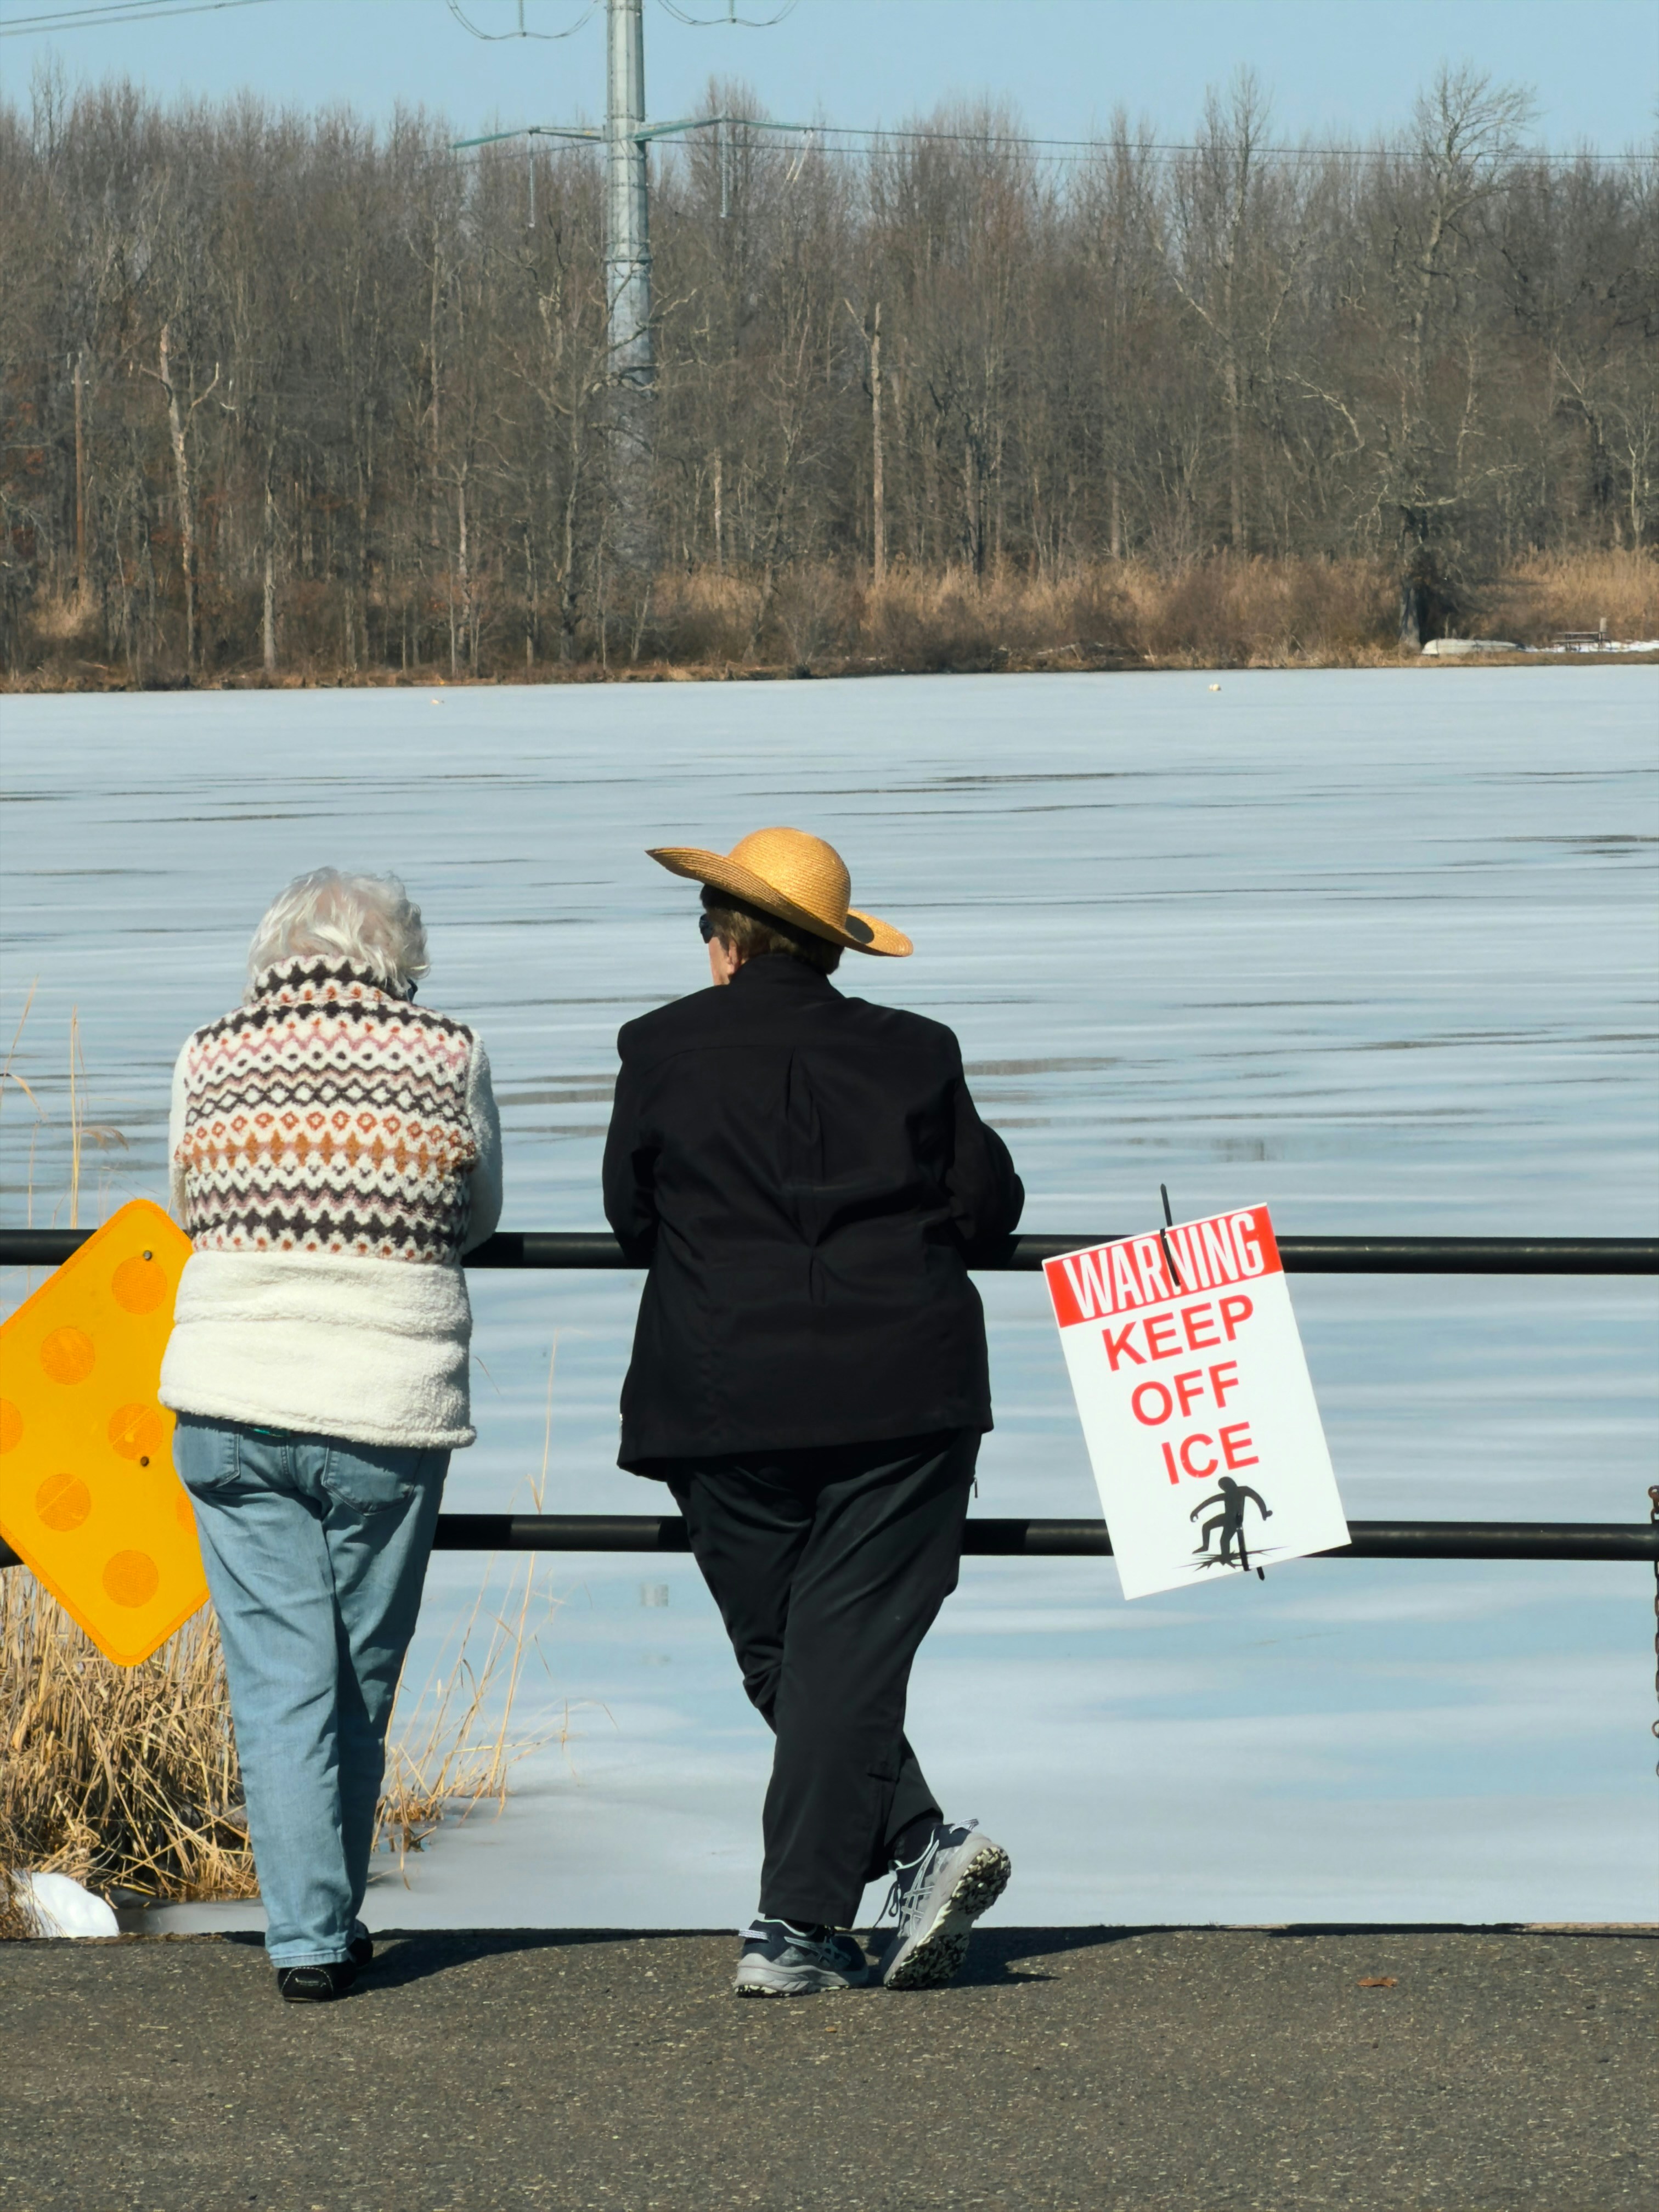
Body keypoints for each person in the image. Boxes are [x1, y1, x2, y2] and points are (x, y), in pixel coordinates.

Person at [602, 826, 1024, 1996]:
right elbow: (987, 1210)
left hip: (720, 1397)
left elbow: (629, 1218)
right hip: (902, 1392)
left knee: (790, 1651)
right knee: (818, 1652)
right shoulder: (917, 1052)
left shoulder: (659, 1051)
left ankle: (794, 1926)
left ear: (727, 944)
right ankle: (916, 1845)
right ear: (829, 950)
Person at [159, 868, 501, 2005]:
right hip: (380, 1403)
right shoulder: (448, 1051)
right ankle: (321, 1926)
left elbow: (185, 1199)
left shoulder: (208, 1051)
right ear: (395, 960)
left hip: (231, 1401)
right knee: (358, 1678)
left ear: (274, 954)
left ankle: (312, 1936)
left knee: (277, 1681)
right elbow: (480, 1211)